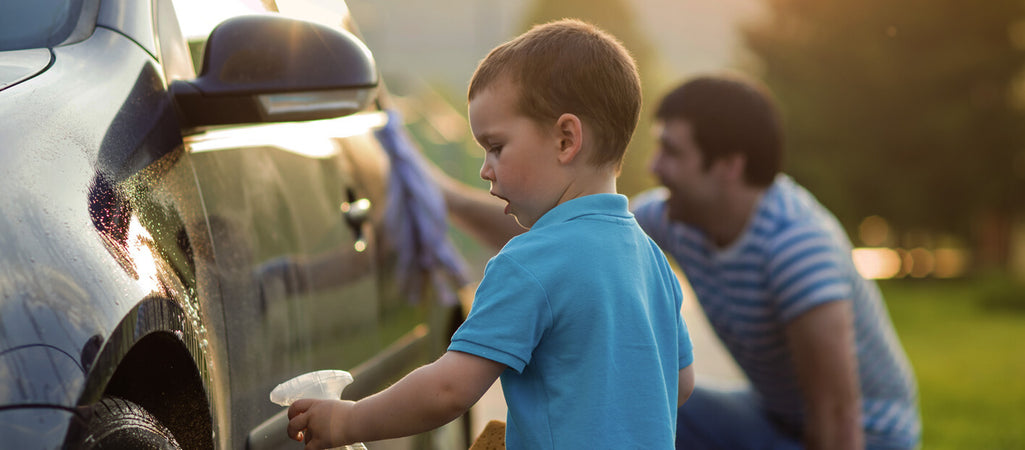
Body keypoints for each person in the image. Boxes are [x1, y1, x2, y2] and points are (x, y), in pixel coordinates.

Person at [434, 73, 921, 449]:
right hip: (775, 416)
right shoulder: (680, 216)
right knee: (641, 401)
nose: (654, 166)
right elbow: (564, 233)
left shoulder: (797, 248)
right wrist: (441, 197)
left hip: (862, 437)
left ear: (729, 166)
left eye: (672, 151)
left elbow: (837, 413)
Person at [286, 19, 695, 449]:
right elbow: (681, 384)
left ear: (565, 140)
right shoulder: (650, 259)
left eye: (496, 147)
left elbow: (448, 390)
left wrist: (346, 421)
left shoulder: (530, 262)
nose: (485, 169)